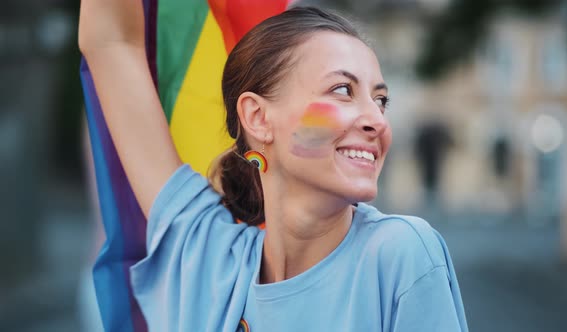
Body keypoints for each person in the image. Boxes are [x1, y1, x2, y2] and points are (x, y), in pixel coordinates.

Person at [78, 1, 468, 331]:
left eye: (380, 100)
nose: (377, 121)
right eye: (343, 90)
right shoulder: (207, 258)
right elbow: (110, 43)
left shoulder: (399, 253)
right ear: (258, 118)